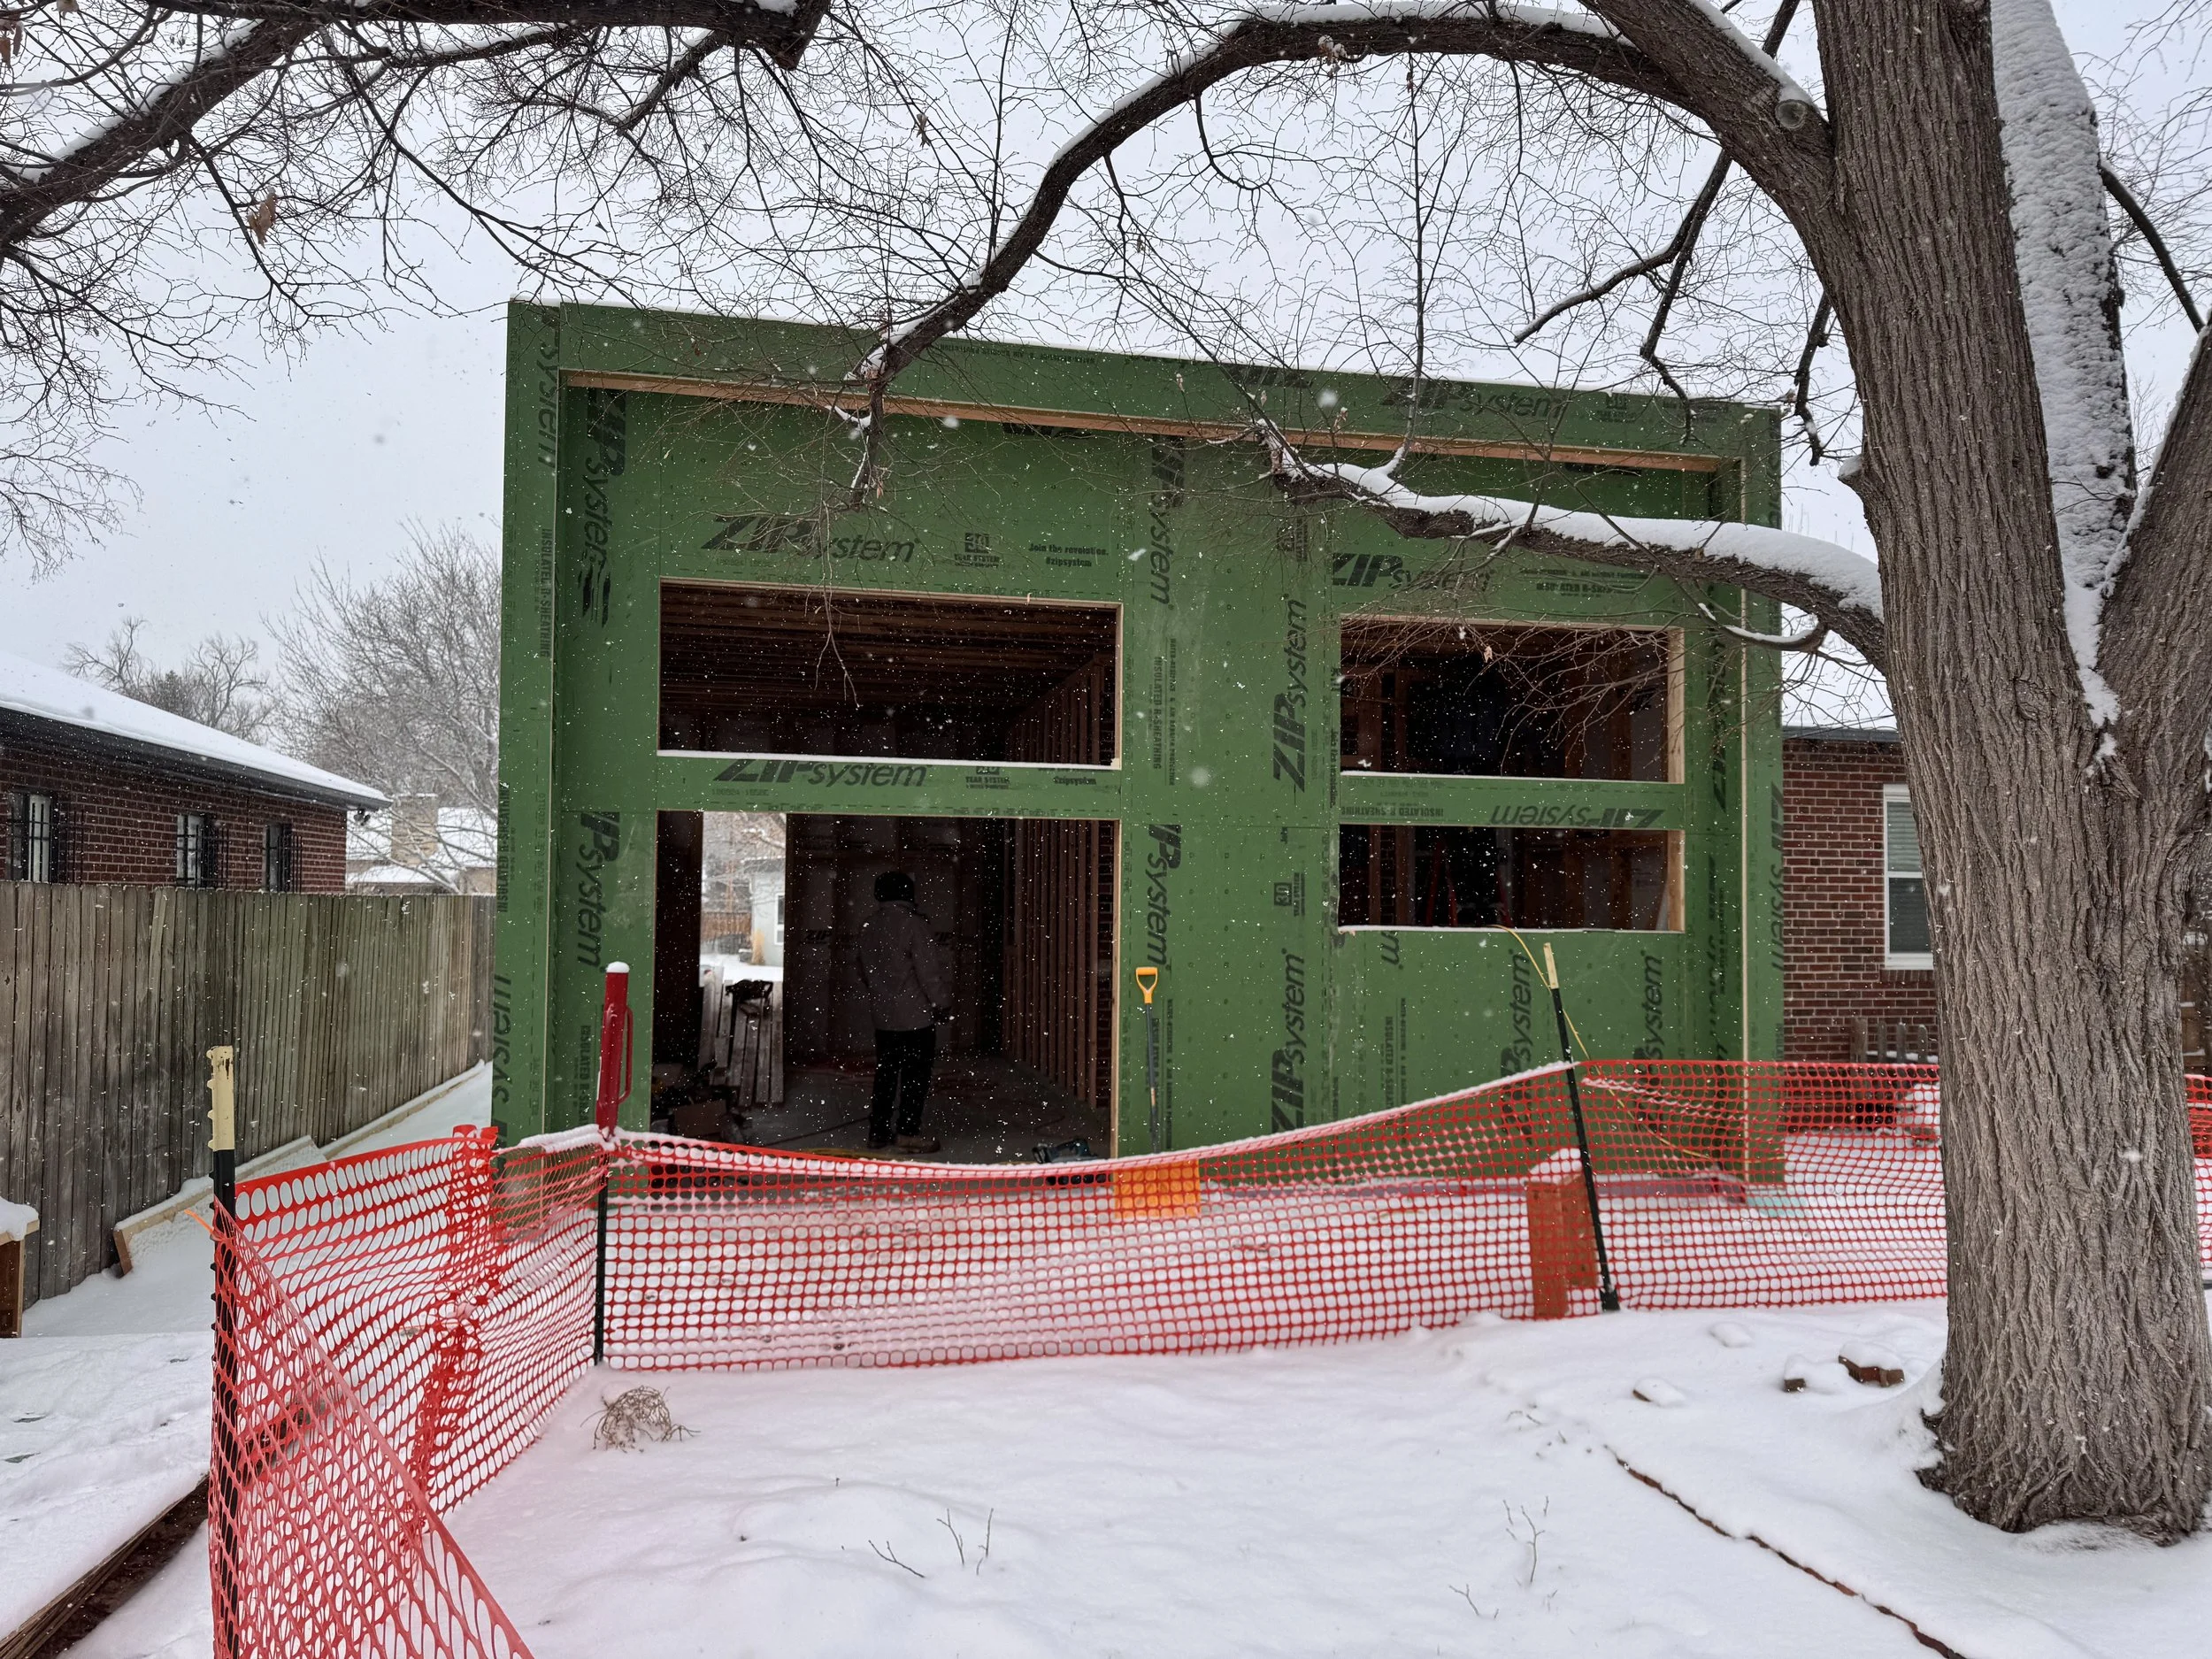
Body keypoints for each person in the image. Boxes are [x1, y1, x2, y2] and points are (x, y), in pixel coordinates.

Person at [856, 870, 951, 1151]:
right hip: (915, 1018)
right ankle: (907, 1132)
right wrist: (941, 1004)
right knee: (915, 1077)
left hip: (884, 1018)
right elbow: (929, 972)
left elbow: (861, 969)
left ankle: (878, 1132)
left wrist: (882, 993)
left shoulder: (869, 926)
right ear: (908, 894)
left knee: (885, 1074)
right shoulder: (914, 925)